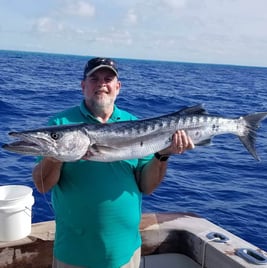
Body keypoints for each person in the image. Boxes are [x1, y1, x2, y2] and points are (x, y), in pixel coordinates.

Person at [32, 57, 194, 268]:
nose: (102, 84)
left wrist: (163, 155)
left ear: (118, 87)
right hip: (74, 254)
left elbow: (147, 185)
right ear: (83, 86)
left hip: (125, 253)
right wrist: (55, 155)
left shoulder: (135, 123)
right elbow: (42, 183)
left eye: (108, 79)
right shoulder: (60, 124)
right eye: (94, 78)